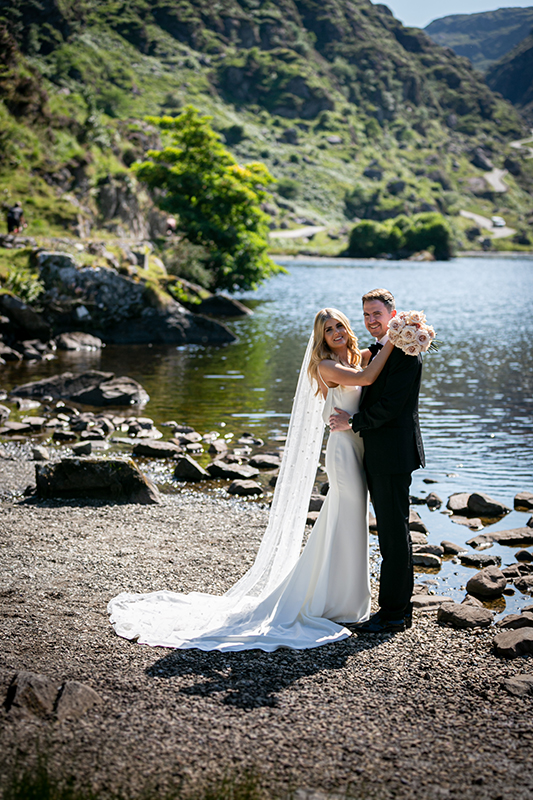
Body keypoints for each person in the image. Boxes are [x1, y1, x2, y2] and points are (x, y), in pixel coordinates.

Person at [108, 308, 393, 652]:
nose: (335, 332)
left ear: (347, 328)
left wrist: (400, 335)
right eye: (327, 329)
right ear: (320, 337)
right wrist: (394, 340)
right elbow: (366, 379)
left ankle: (340, 599)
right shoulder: (327, 366)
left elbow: (369, 361)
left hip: (358, 449)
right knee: (345, 519)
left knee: (347, 522)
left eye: (338, 326)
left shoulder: (354, 356)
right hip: (344, 452)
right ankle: (335, 603)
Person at [330, 289, 425, 634]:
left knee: (393, 534)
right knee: (390, 530)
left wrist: (352, 423)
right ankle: (397, 609)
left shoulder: (406, 351)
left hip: (393, 454)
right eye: (366, 315)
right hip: (377, 452)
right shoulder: (379, 351)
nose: (371, 320)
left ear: (393, 314)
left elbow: (392, 406)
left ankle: (394, 613)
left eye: (377, 314)